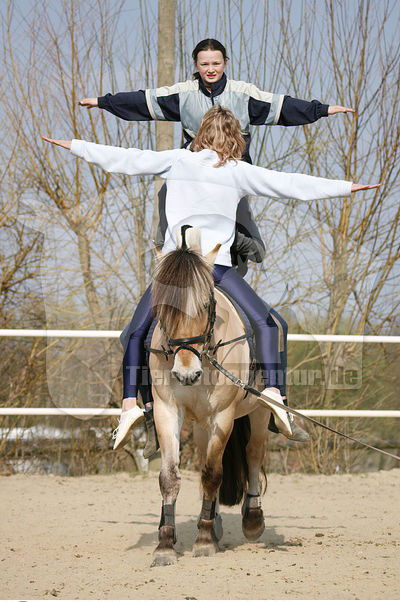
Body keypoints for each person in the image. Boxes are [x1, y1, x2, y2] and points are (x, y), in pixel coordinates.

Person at [43, 106, 379, 456]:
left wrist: (74, 145)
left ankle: (133, 406)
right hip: (214, 268)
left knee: (134, 333)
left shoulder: (178, 160)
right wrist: (347, 188)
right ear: (237, 139)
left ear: (199, 135)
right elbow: (290, 184)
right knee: (270, 324)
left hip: (174, 270)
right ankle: (276, 396)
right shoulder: (238, 171)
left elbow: (124, 158)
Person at [78, 38, 355, 445]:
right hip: (189, 218)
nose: (210, 68)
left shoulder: (243, 100)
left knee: (240, 231)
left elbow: (284, 110)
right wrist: (103, 102)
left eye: (215, 62)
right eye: (204, 63)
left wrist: (323, 110)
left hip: (227, 204)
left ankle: (268, 392)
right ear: (197, 65)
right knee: (172, 235)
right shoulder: (183, 104)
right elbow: (142, 104)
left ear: (225, 63)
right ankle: (146, 403)